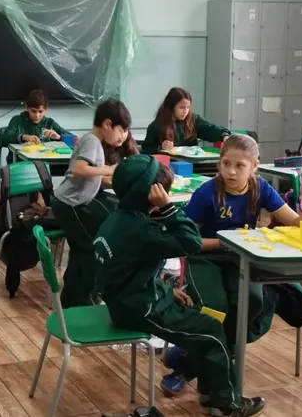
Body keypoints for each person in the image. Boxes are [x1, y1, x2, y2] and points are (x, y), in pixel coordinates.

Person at [94, 155, 266, 417]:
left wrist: (165, 290)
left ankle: (210, 393)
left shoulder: (117, 217)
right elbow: (192, 242)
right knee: (212, 331)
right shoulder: (143, 231)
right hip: (139, 308)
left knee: (204, 319)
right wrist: (168, 209)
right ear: (151, 194)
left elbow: (130, 271)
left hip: (129, 298)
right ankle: (226, 405)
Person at [161, 134, 302, 396]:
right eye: (226, 164)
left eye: (240, 166)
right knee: (215, 308)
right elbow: (185, 239)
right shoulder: (207, 192)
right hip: (205, 258)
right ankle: (199, 375)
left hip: (241, 259)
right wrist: (225, 243)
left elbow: (294, 221)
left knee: (252, 303)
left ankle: (189, 363)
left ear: (254, 166)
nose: (231, 172)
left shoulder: (260, 188)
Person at [50, 99, 130, 307]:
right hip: (70, 204)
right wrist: (109, 170)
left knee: (81, 249)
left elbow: (92, 174)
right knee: (91, 249)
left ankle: (72, 298)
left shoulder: (93, 141)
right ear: (107, 124)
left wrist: (114, 178)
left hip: (68, 202)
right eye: (121, 130)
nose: (123, 136)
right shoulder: (91, 141)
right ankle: (84, 299)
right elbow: (79, 169)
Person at [141, 87, 229, 154]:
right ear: (171, 107)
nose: (185, 111)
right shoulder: (157, 125)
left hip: (193, 165)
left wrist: (223, 135)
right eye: (181, 107)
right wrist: (160, 147)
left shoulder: (193, 119)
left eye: (188, 107)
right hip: (169, 166)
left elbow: (209, 129)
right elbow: (146, 150)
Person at [0, 89, 69, 147]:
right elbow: (5, 139)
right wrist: (23, 137)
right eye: (33, 111)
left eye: (40, 111)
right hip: (21, 161)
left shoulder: (50, 123)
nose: (37, 115)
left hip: (44, 161)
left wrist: (59, 137)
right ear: (27, 107)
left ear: (46, 109)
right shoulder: (17, 120)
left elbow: (75, 140)